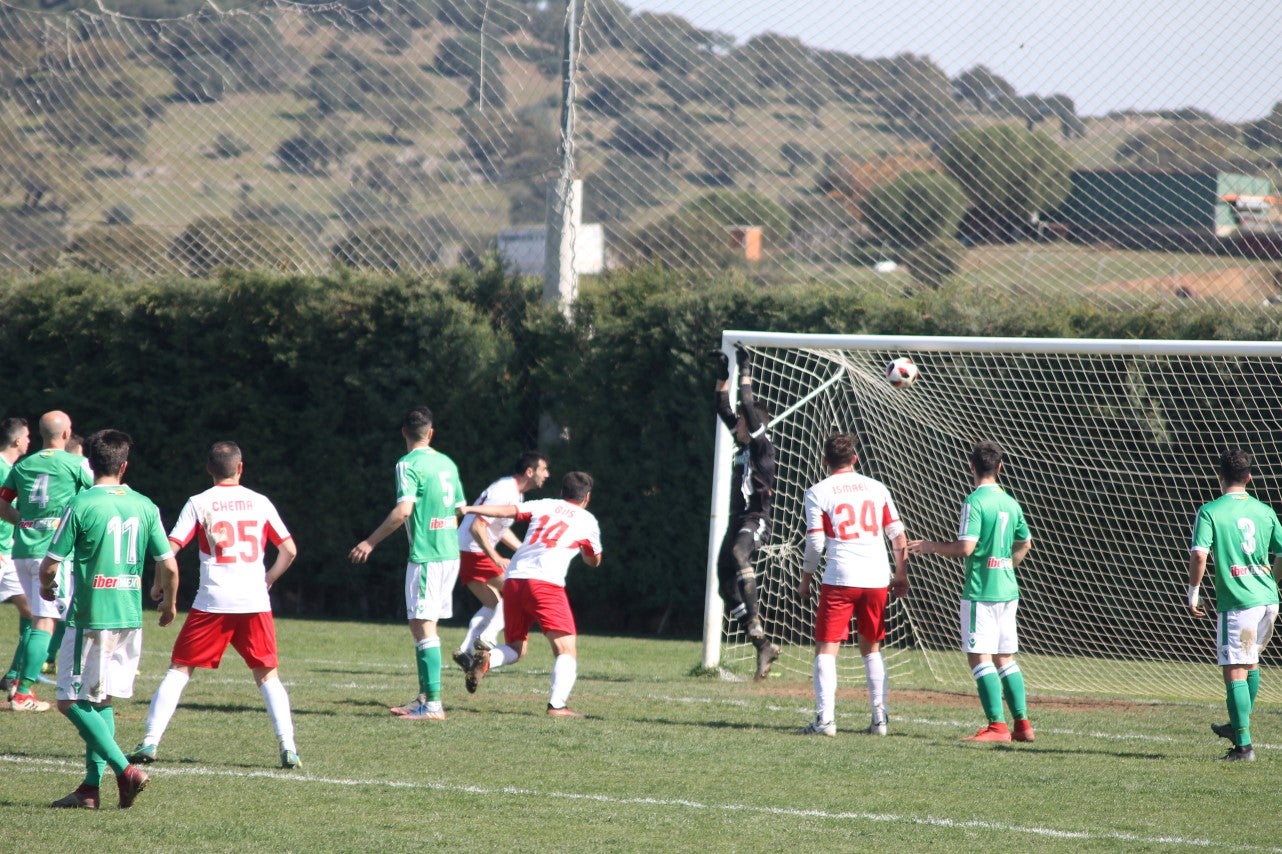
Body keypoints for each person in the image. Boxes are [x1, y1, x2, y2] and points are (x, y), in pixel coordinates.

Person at [127, 441, 301, 769]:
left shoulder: (199, 502)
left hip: (213, 601)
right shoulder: (260, 502)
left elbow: (169, 549)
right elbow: (289, 550)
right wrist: (269, 578)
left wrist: (158, 583)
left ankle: (150, 740)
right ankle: (288, 746)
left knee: (180, 669)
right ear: (240, 468)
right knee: (267, 676)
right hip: (253, 601)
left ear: (209, 469)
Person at [42, 429, 178, 809]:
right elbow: (169, 566)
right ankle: (90, 789)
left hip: (91, 616)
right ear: (124, 466)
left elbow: (50, 565)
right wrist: (169, 605)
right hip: (129, 616)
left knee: (69, 701)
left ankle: (125, 770)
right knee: (101, 701)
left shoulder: (82, 503)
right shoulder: (145, 505)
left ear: (90, 463)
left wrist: (46, 587)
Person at [908, 440, 1034, 744]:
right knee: (1005, 658)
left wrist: (930, 546)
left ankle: (997, 727)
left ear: (971, 466)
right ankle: (1022, 725)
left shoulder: (974, 502)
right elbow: (1025, 543)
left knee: (980, 658)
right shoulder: (1011, 502)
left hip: (981, 591)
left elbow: (966, 547)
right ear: (1000, 467)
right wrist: (1006, 565)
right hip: (1008, 590)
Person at [349, 406, 464, 721]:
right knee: (420, 624)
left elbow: (403, 511)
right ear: (431, 433)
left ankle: (434, 705)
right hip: (448, 552)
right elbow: (459, 509)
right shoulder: (447, 463)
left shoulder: (407, 464)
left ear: (404, 432)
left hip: (427, 555)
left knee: (423, 625)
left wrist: (369, 542)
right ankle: (425, 697)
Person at [458, 471, 603, 716]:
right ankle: (557, 706)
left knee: (516, 648)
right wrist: (587, 554)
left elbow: (505, 511)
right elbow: (594, 560)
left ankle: (487, 661)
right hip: (545, 584)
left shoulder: (544, 504)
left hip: (514, 581)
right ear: (587, 497)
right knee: (566, 649)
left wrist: (470, 509)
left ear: (562, 492)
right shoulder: (587, 521)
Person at [796, 432, 909, 737]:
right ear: (855, 459)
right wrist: (900, 573)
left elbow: (815, 541)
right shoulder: (877, 487)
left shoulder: (817, 491)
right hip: (876, 577)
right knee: (871, 648)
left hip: (840, 578)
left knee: (826, 648)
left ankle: (825, 721)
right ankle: (880, 719)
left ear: (824, 461)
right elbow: (897, 534)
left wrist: (806, 579)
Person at [1187, 448, 1282, 762]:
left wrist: (1193, 592)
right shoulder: (1265, 511)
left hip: (1239, 602)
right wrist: (1271, 581)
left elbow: (1199, 555)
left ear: (1220, 476)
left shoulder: (1210, 511)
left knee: (1235, 669)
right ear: (1249, 477)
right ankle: (1237, 726)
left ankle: (1243, 746)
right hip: (1267, 600)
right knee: (1250, 663)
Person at [0, 410, 93, 712]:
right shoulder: (77, 464)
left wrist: (24, 522)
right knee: (46, 620)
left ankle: (17, 680)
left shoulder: (24, 464)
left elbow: (2, 502)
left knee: (37, 617)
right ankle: (24, 692)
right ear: (66, 434)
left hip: (22, 550)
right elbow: (98, 495)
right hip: (52, 553)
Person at [711, 344, 780, 681]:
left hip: (756, 518)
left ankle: (754, 620)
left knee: (740, 554)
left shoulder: (762, 446)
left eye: (740, 422)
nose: (736, 423)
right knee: (725, 585)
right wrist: (723, 373)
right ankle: (763, 645)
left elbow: (747, 405)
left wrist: (746, 366)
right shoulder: (742, 444)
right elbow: (721, 406)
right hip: (737, 520)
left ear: (753, 426)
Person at [452, 451, 550, 682]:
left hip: (466, 550)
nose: (547, 474)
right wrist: (495, 556)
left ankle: (466, 650)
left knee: (493, 603)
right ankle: (487, 638)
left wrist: (523, 550)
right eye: (543, 469)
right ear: (530, 471)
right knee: (517, 591)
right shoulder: (505, 490)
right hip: (473, 551)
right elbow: (477, 527)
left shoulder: (516, 494)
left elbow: (499, 529)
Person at [0, 417, 32, 699]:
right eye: (27, 437)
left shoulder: (12, 470)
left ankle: (14, 676)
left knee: (32, 611)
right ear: (17, 440)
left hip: (8, 551)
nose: (30, 441)